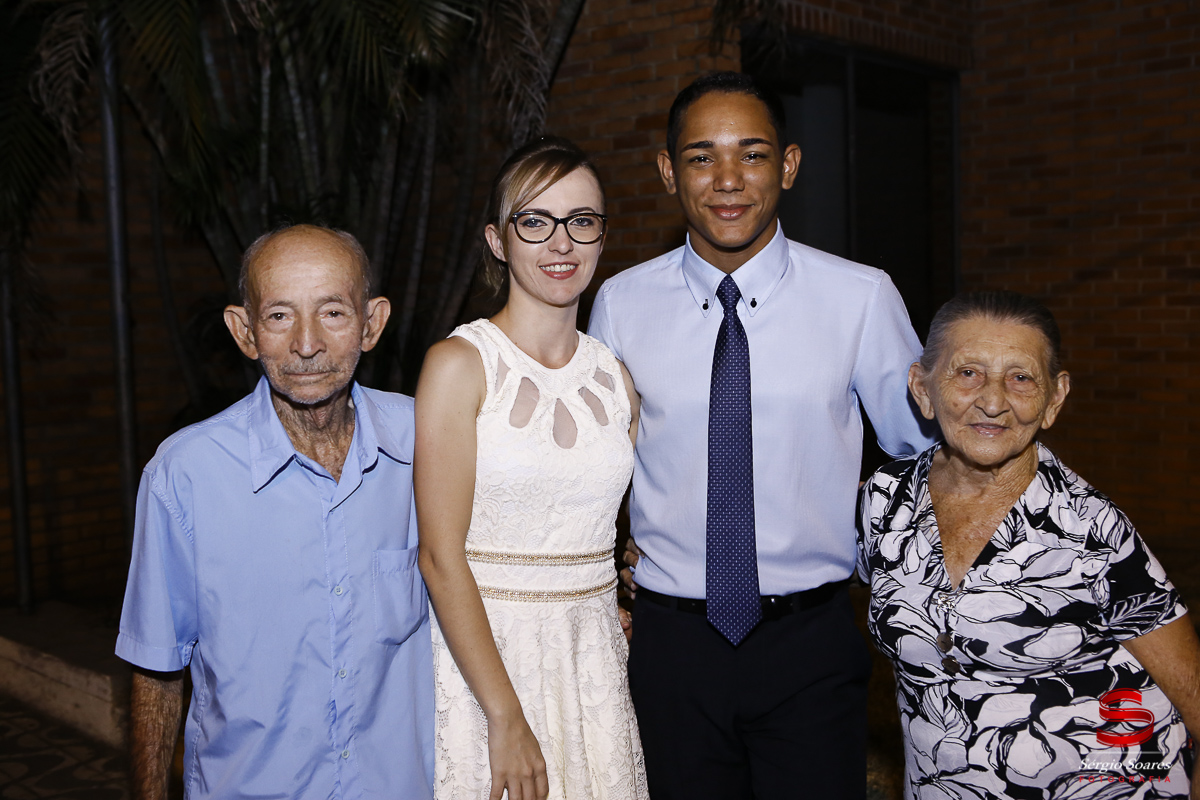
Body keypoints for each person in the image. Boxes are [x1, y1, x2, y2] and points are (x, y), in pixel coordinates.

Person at [588, 71, 936, 799]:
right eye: (701, 157)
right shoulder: (620, 304)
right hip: (671, 646)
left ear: (789, 165)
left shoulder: (859, 296)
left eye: (752, 154)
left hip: (810, 642)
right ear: (667, 171)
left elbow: (921, 458)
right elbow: (598, 462)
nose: (728, 179)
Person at [115, 224, 433, 800]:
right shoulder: (184, 475)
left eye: (333, 312)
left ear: (372, 323)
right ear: (245, 331)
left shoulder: (429, 441)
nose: (306, 344)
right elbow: (156, 671)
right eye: (280, 316)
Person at [859, 290, 1200, 799]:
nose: (993, 402)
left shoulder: (1092, 530)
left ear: (1054, 399)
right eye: (968, 372)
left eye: (1021, 378)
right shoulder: (885, 501)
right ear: (922, 388)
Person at [415, 136, 648, 800]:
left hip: (594, 663)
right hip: (485, 667)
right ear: (498, 240)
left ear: (602, 237)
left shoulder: (617, 380)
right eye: (535, 222)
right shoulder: (459, 366)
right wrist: (506, 717)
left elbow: (623, 530)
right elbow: (438, 556)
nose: (561, 243)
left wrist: (622, 585)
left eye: (581, 221)